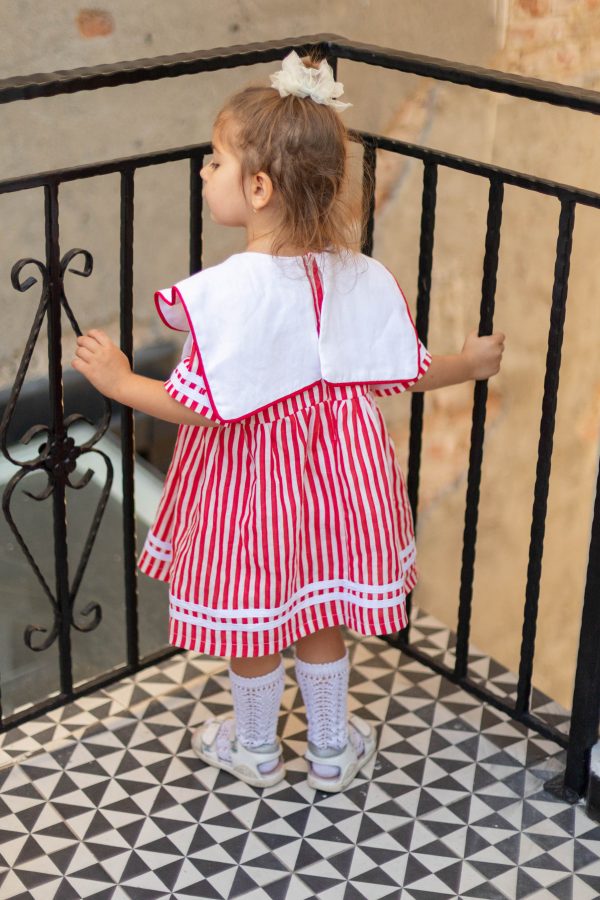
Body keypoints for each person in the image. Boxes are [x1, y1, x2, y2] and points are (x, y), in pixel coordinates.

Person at [72, 51, 505, 793]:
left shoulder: (231, 292)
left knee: (254, 612)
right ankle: (331, 749)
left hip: (250, 487)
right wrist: (467, 362)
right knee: (319, 604)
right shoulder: (355, 274)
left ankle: (256, 748)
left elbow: (193, 405)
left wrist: (119, 380)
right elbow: (401, 369)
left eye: (216, 161)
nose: (205, 172)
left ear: (260, 188)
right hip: (339, 483)